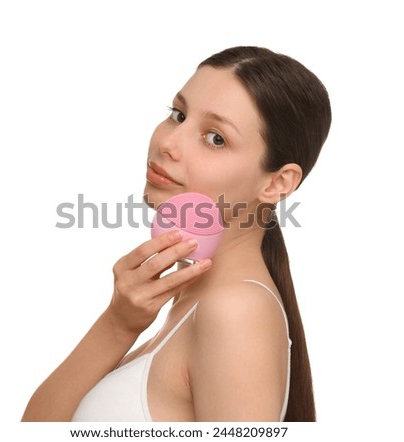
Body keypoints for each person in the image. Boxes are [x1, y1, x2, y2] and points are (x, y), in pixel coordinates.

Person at [21, 46, 331, 422]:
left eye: (215, 138)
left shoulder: (235, 311)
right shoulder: (195, 303)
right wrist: (118, 323)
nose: (168, 143)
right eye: (178, 115)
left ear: (277, 183)